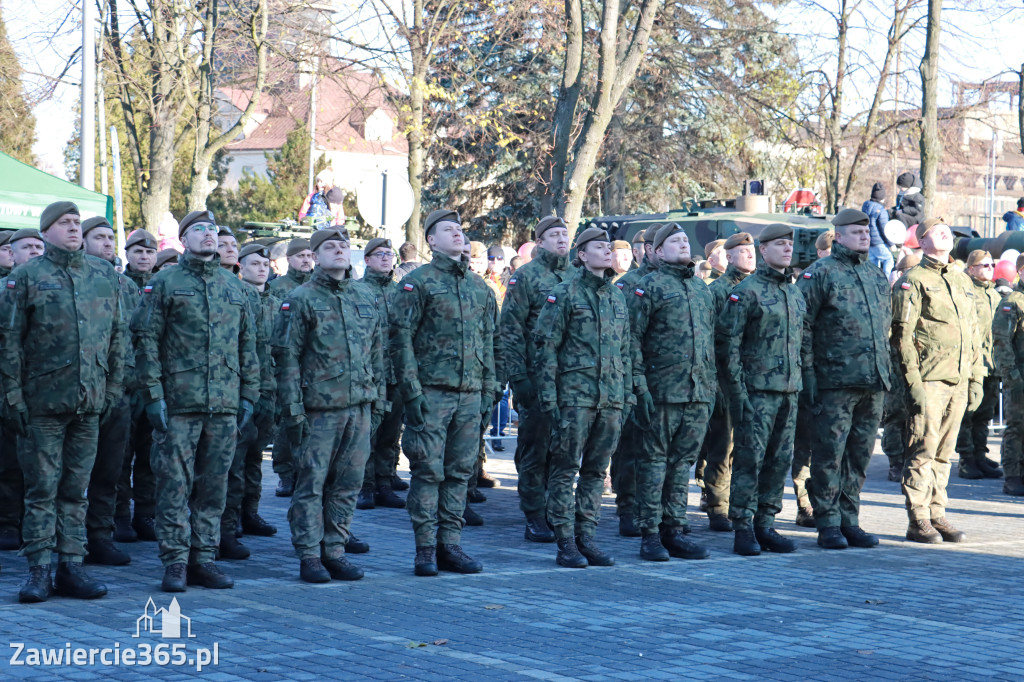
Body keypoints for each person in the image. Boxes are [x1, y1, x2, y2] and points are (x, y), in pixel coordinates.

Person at [0, 201, 126, 603]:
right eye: (64, 223)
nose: (73, 228)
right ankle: (39, 569)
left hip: (89, 402)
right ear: (45, 232)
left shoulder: (103, 274)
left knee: (76, 489)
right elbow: (9, 344)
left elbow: (118, 337)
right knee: (41, 489)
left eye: (76, 222)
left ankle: (71, 564)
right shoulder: (26, 276)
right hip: (41, 403)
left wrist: (114, 389)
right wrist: (13, 397)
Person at [131, 209, 260, 592]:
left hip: (223, 405)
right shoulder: (165, 282)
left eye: (213, 230)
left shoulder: (234, 287)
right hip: (179, 404)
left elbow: (247, 346)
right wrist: (153, 396)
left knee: (213, 486)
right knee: (173, 484)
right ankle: (174, 561)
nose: (209, 235)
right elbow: (146, 342)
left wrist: (249, 394)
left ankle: (203, 557)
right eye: (199, 230)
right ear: (183, 240)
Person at [273, 228, 384, 582]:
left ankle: (334, 549)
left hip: (359, 406)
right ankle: (309, 554)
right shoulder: (301, 298)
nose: (338, 251)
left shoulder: (365, 296)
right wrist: (292, 409)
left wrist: (378, 399)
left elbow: (378, 352)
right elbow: (286, 357)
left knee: (348, 483)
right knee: (312, 483)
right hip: (319, 409)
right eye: (329, 247)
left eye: (343, 246)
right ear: (315, 256)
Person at [391, 209, 496, 576]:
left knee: (459, 472)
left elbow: (489, 343)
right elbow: (400, 338)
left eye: (460, 230)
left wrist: (489, 390)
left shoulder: (479, 288)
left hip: (469, 395)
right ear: (431, 241)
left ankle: (451, 544)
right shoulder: (417, 283)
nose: (457, 234)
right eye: (448, 230)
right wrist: (411, 392)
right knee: (427, 472)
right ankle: (424, 549)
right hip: (431, 393)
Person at [533, 227, 630, 569]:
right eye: (598, 247)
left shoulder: (616, 297)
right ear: (582, 255)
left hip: (610, 399)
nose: (607, 251)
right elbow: (546, 348)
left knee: (595, 471)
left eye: (608, 246)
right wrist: (548, 398)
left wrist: (626, 394)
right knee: (564, 469)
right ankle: (565, 540)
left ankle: (586, 536)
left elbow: (626, 352)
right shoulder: (565, 293)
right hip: (574, 398)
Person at [799, 208, 891, 550]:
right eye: (855, 232)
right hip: (833, 381)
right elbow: (803, 326)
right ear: (838, 235)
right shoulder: (820, 274)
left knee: (859, 456)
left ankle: (850, 519)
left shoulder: (876, 276)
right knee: (829, 455)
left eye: (866, 231)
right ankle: (827, 522)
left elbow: (886, 330)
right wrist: (808, 372)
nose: (864, 236)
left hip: (871, 381)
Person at [626, 223, 714, 562]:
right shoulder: (647, 287)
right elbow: (631, 340)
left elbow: (709, 341)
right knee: (653, 464)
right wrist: (639, 388)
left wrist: (711, 386)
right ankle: (649, 533)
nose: (682, 244)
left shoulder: (701, 288)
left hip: (697, 392)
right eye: (673, 241)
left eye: (684, 240)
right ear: (657, 251)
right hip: (661, 391)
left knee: (681, 464)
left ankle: (674, 529)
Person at [891, 218, 982, 543]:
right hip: (929, 380)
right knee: (922, 449)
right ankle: (918, 518)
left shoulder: (961, 280)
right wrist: (912, 383)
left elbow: (973, 334)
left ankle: (937, 512)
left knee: (945, 452)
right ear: (922, 241)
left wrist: (975, 378)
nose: (946, 233)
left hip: (957, 379)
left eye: (948, 230)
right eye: (936, 230)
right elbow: (902, 336)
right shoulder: (913, 280)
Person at [718, 224, 804, 556]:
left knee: (779, 461)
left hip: (788, 390)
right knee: (749, 460)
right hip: (756, 392)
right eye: (779, 245)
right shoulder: (748, 292)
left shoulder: (795, 293)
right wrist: (737, 393)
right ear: (763, 250)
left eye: (789, 245)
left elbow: (801, 343)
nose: (786, 250)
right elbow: (728, 347)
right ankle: (742, 526)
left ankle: (765, 524)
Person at [501, 216, 571, 544]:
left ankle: (556, 509)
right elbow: (511, 331)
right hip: (537, 377)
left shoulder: (577, 276)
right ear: (540, 242)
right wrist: (518, 377)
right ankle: (533, 512)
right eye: (554, 235)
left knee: (564, 448)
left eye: (564, 234)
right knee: (535, 447)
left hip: (572, 381)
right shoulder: (525, 277)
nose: (561, 239)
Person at [80, 217, 137, 567]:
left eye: (110, 237)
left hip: (118, 393)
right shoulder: (75, 281)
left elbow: (138, 337)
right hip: (78, 393)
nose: (107, 243)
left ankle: (100, 536)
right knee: (71, 476)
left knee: (109, 472)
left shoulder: (125, 285)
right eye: (98, 237)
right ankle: (66, 539)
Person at [219, 243, 280, 562]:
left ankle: (250, 513)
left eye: (265, 263)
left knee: (255, 458)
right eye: (255, 263)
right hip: (240, 391)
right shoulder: (236, 297)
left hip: (268, 392)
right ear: (240, 267)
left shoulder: (275, 301)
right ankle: (226, 526)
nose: (262, 268)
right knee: (233, 463)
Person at [699, 231, 756, 532]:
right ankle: (718, 506)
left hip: (757, 382)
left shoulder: (762, 287)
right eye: (743, 251)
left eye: (752, 251)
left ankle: (744, 504)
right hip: (725, 382)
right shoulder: (718, 290)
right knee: (723, 446)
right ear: (729, 256)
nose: (750, 255)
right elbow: (711, 341)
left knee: (750, 449)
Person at [610, 225, 660, 537]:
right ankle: (627, 506)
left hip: (667, 382)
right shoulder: (627, 285)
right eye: (647, 246)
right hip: (633, 378)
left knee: (656, 451)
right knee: (629, 448)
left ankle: (653, 507)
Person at [116, 229, 160, 543]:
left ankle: (146, 514)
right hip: (125, 385)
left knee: (151, 455)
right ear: (128, 254)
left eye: (149, 252)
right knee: (120, 455)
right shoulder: (119, 285)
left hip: (155, 385)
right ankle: (119, 516)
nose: (144, 257)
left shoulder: (164, 286)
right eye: (138, 252)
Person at [0, 229, 41, 552]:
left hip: (43, 390)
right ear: (11, 254)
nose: (34, 251)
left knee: (40, 466)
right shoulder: (5, 290)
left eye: (39, 246)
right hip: (8, 387)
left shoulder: (50, 288)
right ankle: (9, 523)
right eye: (27, 247)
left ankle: (37, 526)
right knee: (9, 463)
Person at [358, 238, 407, 509]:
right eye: (380, 255)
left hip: (396, 373)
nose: (386, 259)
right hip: (369, 375)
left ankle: (385, 483)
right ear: (367, 260)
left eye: (390, 254)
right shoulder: (357, 291)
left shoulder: (401, 291)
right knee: (368, 435)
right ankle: (364, 486)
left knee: (390, 434)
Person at [268, 237, 314, 496]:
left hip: (314, 367)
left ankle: (305, 471)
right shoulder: (279, 288)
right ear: (290, 260)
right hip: (287, 365)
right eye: (301, 256)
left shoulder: (319, 287)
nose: (306, 260)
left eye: (309, 255)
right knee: (287, 423)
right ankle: (285, 473)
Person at [955, 250, 1003, 480]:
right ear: (971, 268)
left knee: (984, 415)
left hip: (992, 365)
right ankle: (966, 459)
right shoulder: (965, 292)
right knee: (968, 414)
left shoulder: (993, 295)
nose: (989, 268)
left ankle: (980, 455)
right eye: (984, 265)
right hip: (972, 365)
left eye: (991, 264)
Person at [881, 251, 922, 482]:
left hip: (913, 362)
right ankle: (895, 462)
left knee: (911, 414)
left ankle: (908, 458)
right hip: (895, 363)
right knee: (896, 415)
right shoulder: (896, 294)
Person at [992, 254, 1024, 496]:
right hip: (1019, 377)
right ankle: (1012, 475)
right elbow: (1002, 341)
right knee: (1016, 427)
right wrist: (1012, 376)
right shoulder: (1012, 301)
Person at [862, 182, 893, 278]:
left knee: (874, 264)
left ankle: (874, 283)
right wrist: (891, 243)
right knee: (889, 259)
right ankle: (887, 280)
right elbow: (885, 229)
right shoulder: (881, 211)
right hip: (879, 242)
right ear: (882, 198)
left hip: (868, 241)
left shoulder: (865, 207)